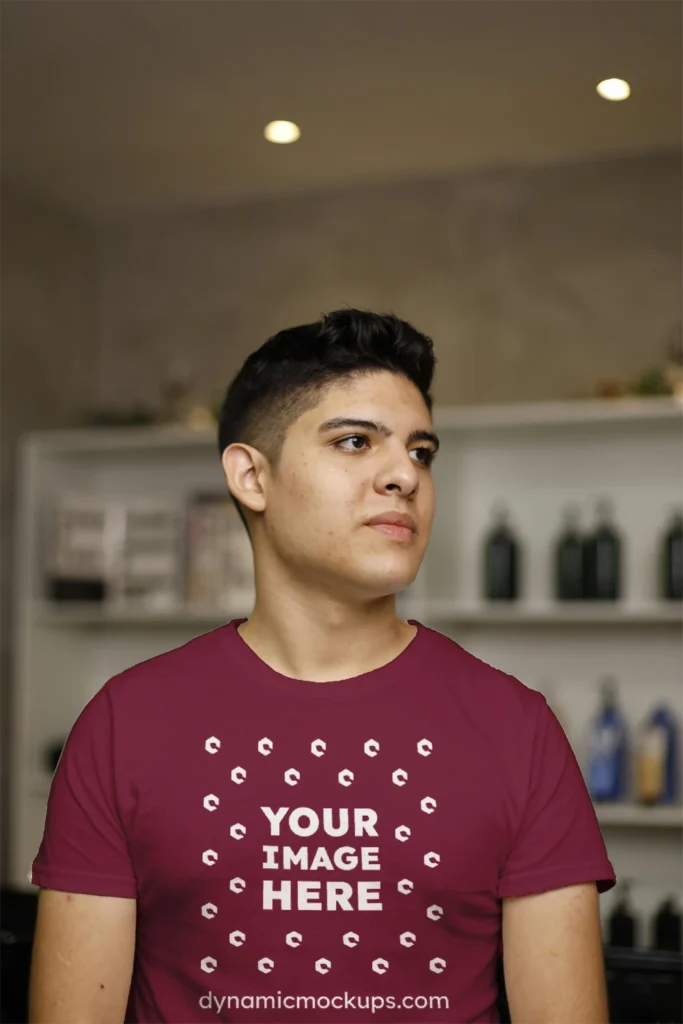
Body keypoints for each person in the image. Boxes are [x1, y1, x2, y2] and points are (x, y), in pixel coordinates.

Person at [28, 309, 615, 1023]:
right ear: (251, 476)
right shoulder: (125, 723)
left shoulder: (516, 728)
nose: (403, 474)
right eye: (354, 441)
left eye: (422, 452)